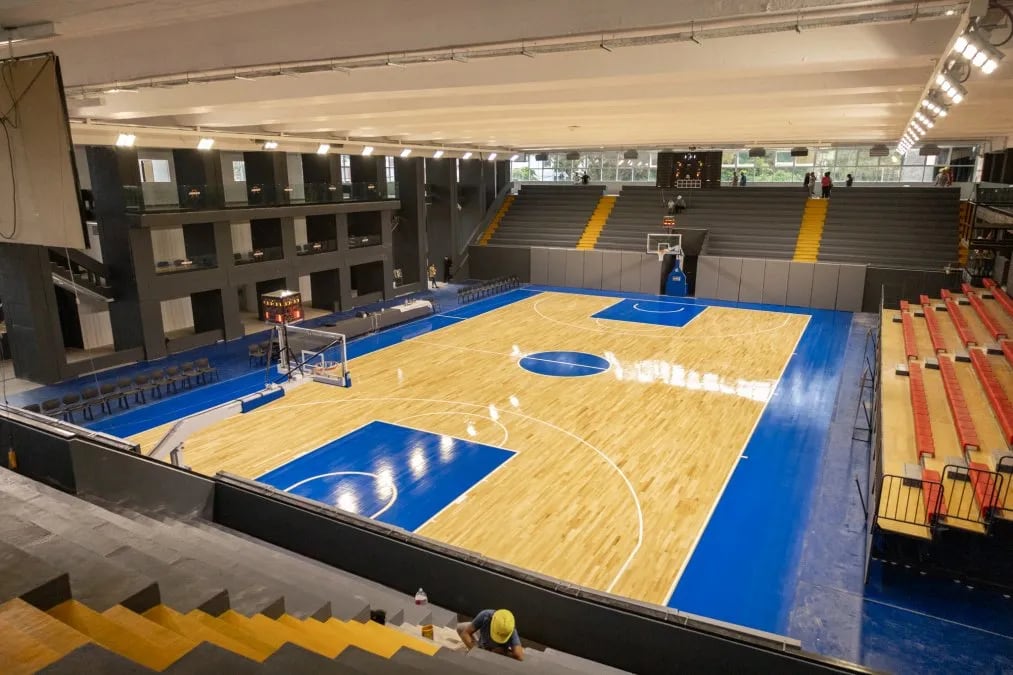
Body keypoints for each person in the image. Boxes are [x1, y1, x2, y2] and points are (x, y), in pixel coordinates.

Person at [457, 609, 524, 661]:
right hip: (482, 646)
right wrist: (476, 651)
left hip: (496, 655)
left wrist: (504, 653)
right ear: (492, 619)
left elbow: (519, 656)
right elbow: (465, 633)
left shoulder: (510, 628)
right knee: (460, 628)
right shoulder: (485, 615)